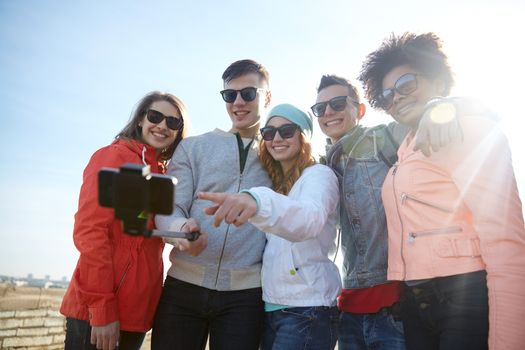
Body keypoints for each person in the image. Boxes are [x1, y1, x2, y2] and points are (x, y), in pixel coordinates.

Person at [358, 32, 525, 350]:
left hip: (464, 296)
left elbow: (507, 243)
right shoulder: (405, 147)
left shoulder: (468, 128)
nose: (397, 97)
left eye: (406, 84)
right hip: (415, 301)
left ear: (437, 81)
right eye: (387, 95)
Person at [60, 91, 203, 350]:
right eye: (155, 116)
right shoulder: (112, 156)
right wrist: (101, 308)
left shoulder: (162, 172)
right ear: (140, 119)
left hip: (136, 312)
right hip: (99, 310)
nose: (162, 126)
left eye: (173, 122)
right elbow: (90, 232)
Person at [152, 59, 273, 349]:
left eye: (249, 93)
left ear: (267, 97)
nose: (238, 102)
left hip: (246, 296)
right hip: (183, 287)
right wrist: (182, 231)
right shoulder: (193, 147)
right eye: (229, 95)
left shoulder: (279, 152)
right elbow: (168, 209)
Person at [199, 103, 342, 350]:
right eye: (268, 132)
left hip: (308, 308)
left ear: (304, 136)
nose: (276, 138)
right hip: (273, 307)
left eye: (286, 131)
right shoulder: (279, 184)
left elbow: (308, 220)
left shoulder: (319, 175)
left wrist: (257, 201)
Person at [312, 74, 408, 350]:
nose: (329, 112)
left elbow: (425, 120)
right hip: (349, 308)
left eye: (338, 103)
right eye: (320, 108)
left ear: (360, 110)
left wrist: (442, 108)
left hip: (393, 306)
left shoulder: (385, 138)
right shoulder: (322, 169)